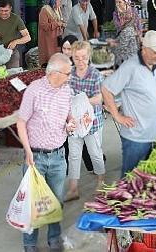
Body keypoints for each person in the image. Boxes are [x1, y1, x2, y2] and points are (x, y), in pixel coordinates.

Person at [102, 31, 156, 176]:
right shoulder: (130, 67)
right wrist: (117, 116)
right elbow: (106, 89)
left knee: (148, 180)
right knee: (131, 181)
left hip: (155, 134)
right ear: (144, 48)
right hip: (136, 138)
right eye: (155, 52)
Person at [17, 53, 75, 252]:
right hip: (36, 158)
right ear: (55, 73)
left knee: (56, 202)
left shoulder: (66, 90)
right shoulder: (33, 91)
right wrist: (27, 151)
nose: (70, 76)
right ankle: (30, 244)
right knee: (33, 204)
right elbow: (21, 122)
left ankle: (54, 240)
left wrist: (70, 122)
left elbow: (68, 113)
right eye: (68, 73)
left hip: (59, 156)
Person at [64, 42, 106, 201]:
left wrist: (83, 102)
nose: (80, 61)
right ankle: (73, 188)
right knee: (73, 156)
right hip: (74, 122)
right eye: (76, 58)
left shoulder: (95, 75)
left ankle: (101, 182)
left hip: (92, 123)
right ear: (72, 58)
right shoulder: (69, 74)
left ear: (89, 57)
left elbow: (99, 97)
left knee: (95, 153)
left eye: (84, 58)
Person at [0, 0, 31, 68]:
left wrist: (16, 42)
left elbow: (27, 37)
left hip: (11, 55)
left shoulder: (16, 19)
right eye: (1, 10)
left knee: (12, 77)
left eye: (6, 11)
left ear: (10, 9)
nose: (3, 13)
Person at [110, 0, 142, 66]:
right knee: (122, 60)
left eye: (119, 2)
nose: (117, 4)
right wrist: (121, 14)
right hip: (123, 38)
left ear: (125, 2)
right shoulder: (115, 14)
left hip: (133, 39)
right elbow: (119, 27)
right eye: (116, 2)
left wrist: (139, 36)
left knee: (132, 60)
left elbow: (138, 25)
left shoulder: (133, 11)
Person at [38, 0, 66, 67]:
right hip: (48, 40)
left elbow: (60, 20)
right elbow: (44, 26)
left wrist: (62, 24)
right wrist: (57, 24)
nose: (60, 3)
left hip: (57, 38)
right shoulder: (45, 10)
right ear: (53, 1)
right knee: (48, 59)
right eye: (59, 2)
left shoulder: (57, 9)